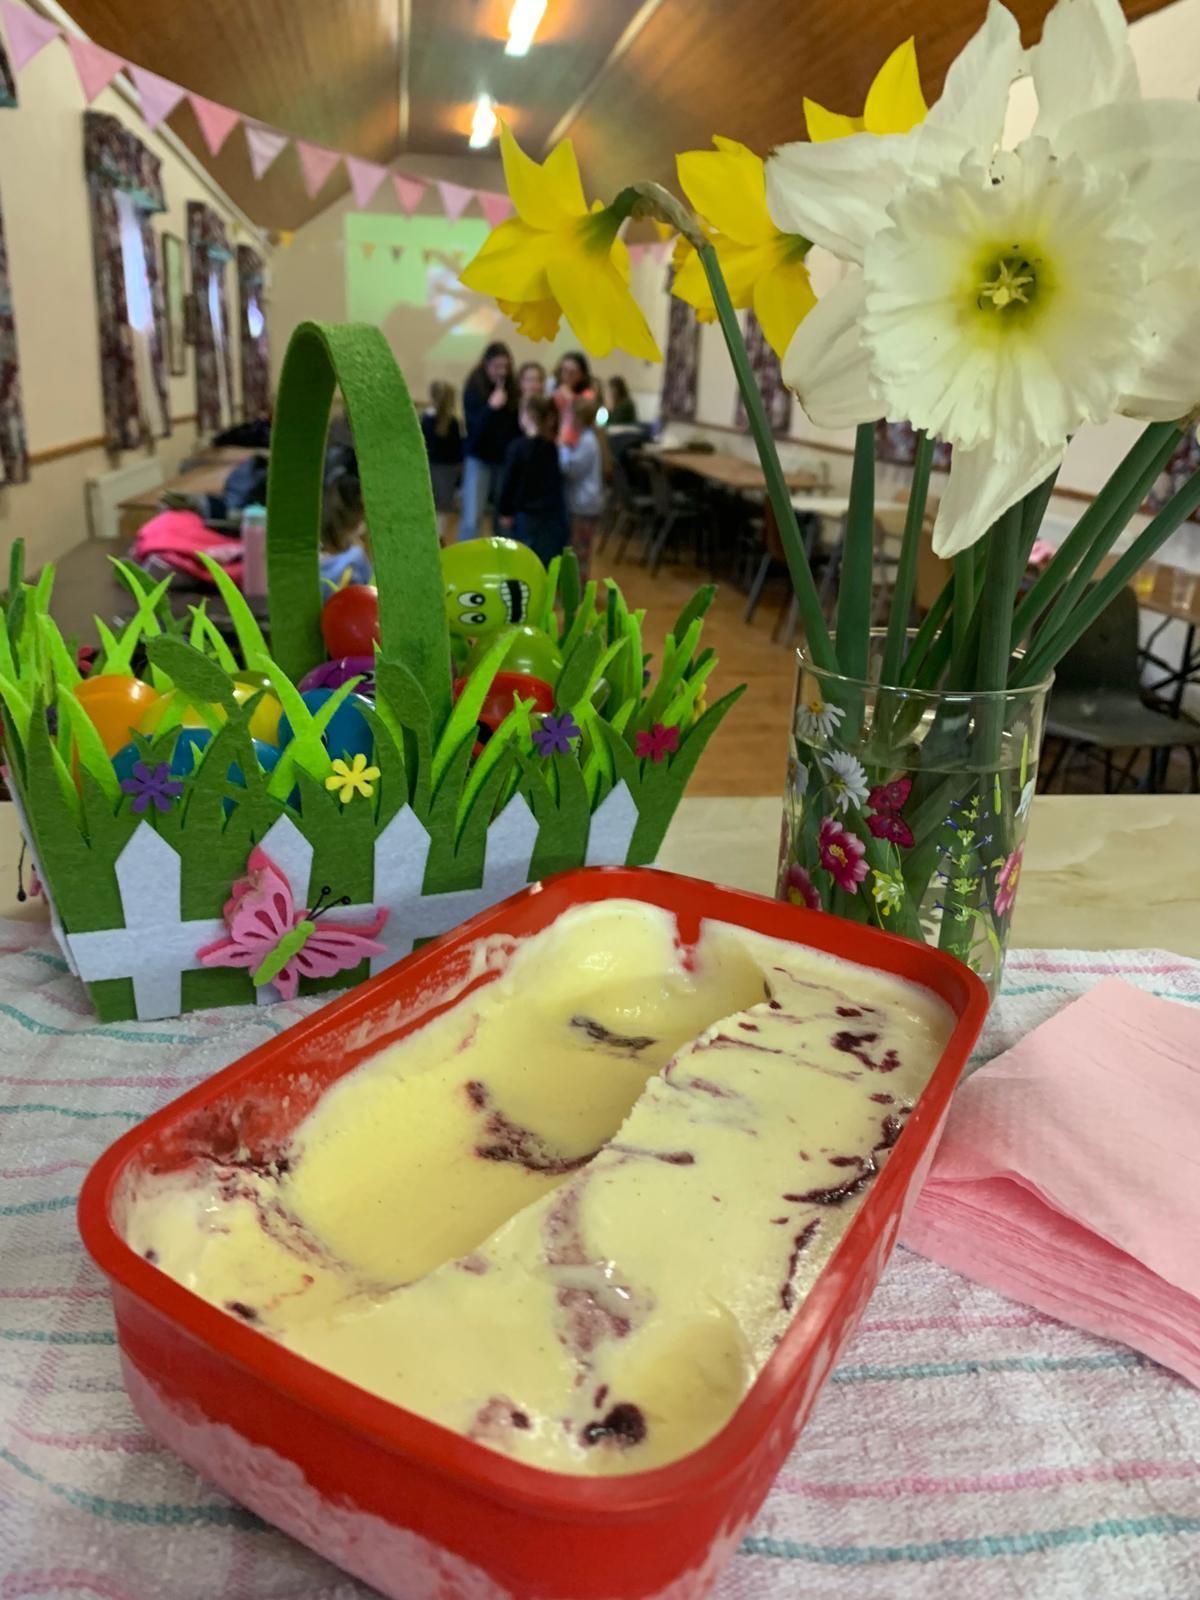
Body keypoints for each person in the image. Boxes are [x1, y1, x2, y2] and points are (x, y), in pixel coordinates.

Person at [496, 396, 568, 567]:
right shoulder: (553, 448)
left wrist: (505, 510)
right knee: (546, 561)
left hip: (526, 515)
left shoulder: (517, 448)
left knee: (524, 560)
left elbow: (509, 482)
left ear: (527, 415)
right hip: (550, 514)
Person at [460, 342, 520, 540]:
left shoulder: (513, 390)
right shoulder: (473, 389)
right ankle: (467, 563)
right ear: (486, 366)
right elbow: (474, 431)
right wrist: (491, 408)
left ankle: (500, 564)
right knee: (472, 519)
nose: (502, 372)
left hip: (503, 461)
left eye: (506, 367)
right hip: (479, 458)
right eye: (497, 367)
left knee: (502, 520)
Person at [560, 395, 607, 581]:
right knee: (579, 549)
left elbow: (571, 470)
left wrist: (563, 449)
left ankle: (577, 592)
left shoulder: (588, 441)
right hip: (584, 503)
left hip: (584, 504)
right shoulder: (587, 438)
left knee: (580, 551)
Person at [421, 380, 463, 542]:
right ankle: (440, 539)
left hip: (428, 467)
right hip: (447, 470)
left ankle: (428, 538)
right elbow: (457, 449)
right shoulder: (452, 422)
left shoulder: (425, 419)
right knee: (444, 508)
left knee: (429, 504)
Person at [551, 350, 595, 448]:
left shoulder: (588, 394)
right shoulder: (554, 390)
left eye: (573, 372)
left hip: (578, 443)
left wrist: (568, 395)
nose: (567, 375)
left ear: (582, 375)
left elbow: (584, 414)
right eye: (564, 370)